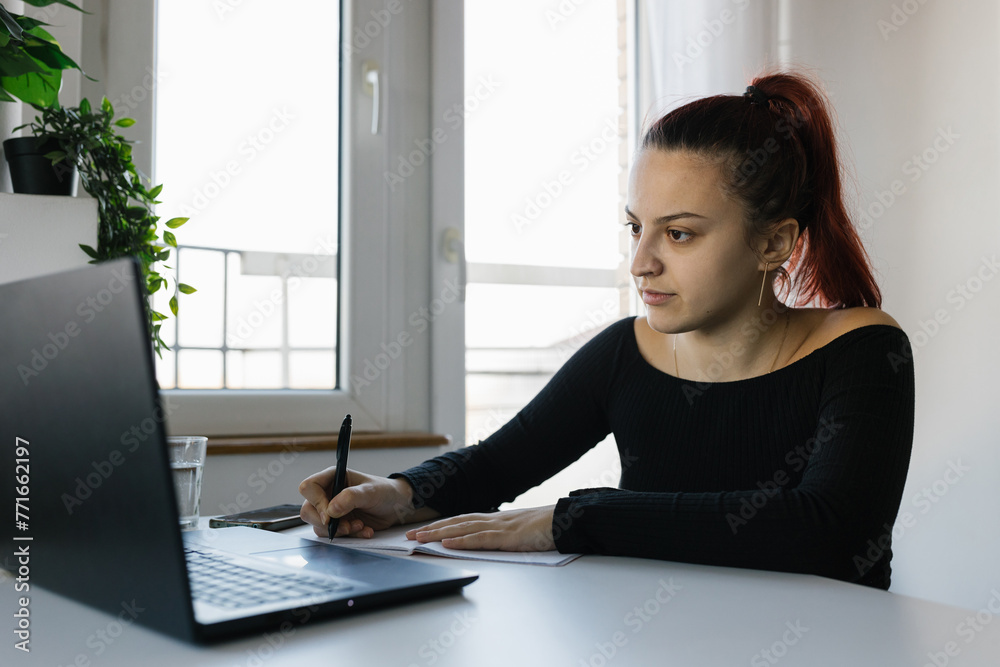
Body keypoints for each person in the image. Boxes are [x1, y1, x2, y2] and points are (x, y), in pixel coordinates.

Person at [299, 69, 914, 590]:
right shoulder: (628, 350)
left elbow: (832, 530)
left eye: (678, 233)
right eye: (634, 228)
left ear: (774, 242)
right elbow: (498, 464)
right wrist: (398, 492)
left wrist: (570, 519)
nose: (641, 262)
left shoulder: (862, 349)